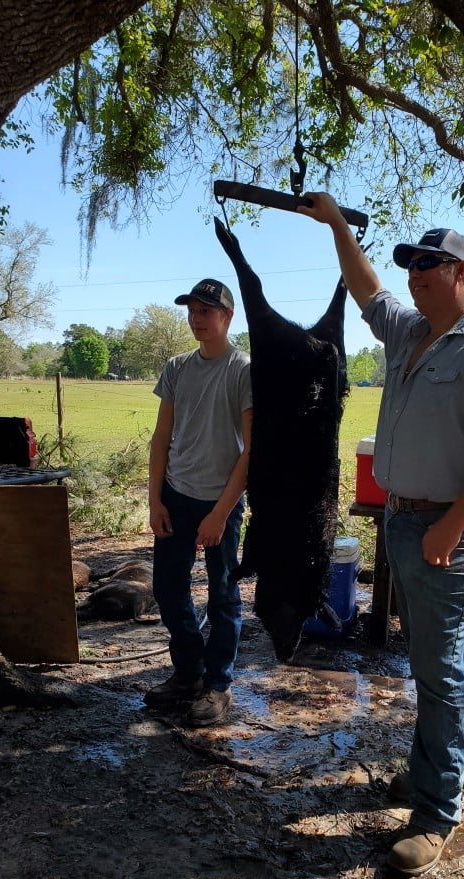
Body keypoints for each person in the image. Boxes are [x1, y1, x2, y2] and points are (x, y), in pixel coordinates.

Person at [298, 194, 464, 876]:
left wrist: (453, 524)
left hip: (451, 529)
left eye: (428, 264)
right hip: (404, 520)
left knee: (439, 671)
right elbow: (365, 286)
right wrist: (340, 228)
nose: (413, 275)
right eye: (411, 264)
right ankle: (448, 769)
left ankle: (436, 815)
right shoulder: (409, 332)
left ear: (462, 271)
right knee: (427, 664)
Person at [143, 278, 252, 727]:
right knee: (169, 590)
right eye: (191, 310)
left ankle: (218, 686)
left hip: (219, 502)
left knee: (223, 595)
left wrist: (221, 513)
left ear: (227, 317)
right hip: (175, 495)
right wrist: (154, 501)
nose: (197, 318)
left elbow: (252, 450)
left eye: (207, 311)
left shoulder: (243, 370)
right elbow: (161, 437)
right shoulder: (176, 367)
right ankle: (189, 672)